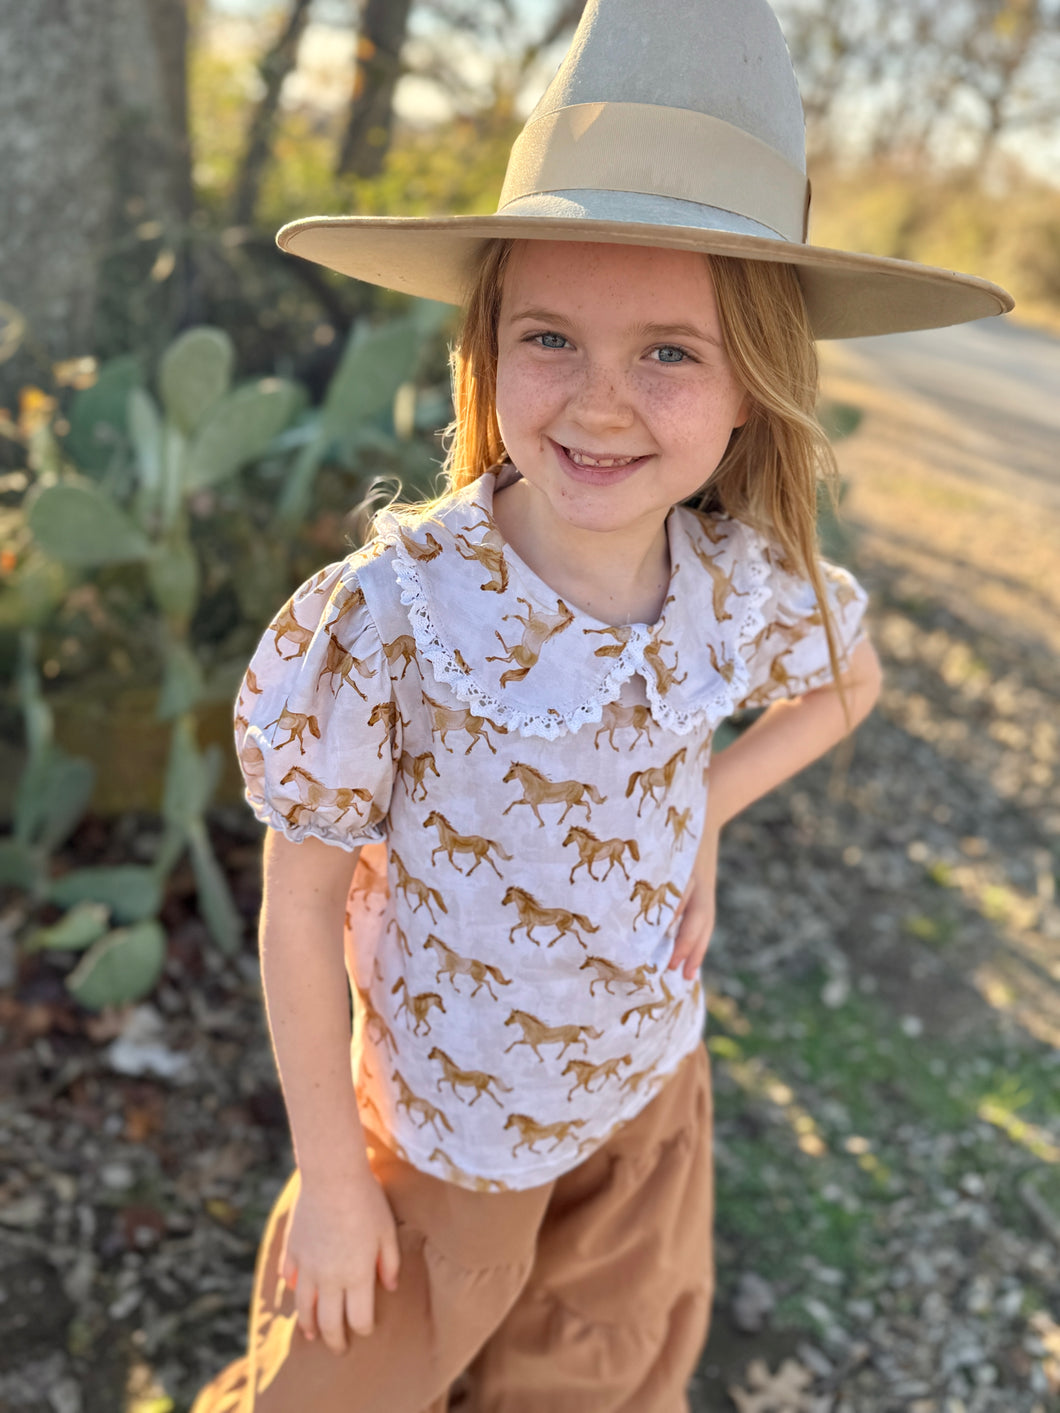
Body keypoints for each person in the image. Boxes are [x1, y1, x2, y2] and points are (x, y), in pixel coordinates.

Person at [192, 1, 1012, 1410]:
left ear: (756, 384)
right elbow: (300, 907)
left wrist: (702, 801)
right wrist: (333, 1181)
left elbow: (846, 687)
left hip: (643, 1104)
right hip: (443, 1147)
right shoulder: (391, 617)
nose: (601, 403)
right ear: (489, 341)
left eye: (671, 352)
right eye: (552, 336)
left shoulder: (736, 583)